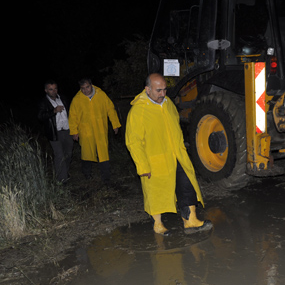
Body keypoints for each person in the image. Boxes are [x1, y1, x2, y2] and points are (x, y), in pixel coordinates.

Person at [125, 73, 212, 236]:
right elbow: (133, 141)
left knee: (187, 185)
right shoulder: (138, 111)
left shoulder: (168, 104)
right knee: (156, 193)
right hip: (154, 160)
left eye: (165, 90)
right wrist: (142, 165)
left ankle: (190, 220)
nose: (162, 94)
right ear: (147, 90)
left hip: (176, 156)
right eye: (158, 90)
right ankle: (158, 224)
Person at [69, 78, 121, 185]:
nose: (85, 90)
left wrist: (115, 124)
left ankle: (106, 177)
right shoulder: (77, 99)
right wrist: (74, 131)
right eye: (82, 88)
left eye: (87, 87)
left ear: (91, 85)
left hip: (100, 129)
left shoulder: (101, 95)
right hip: (85, 131)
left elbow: (110, 109)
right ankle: (87, 174)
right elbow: (73, 116)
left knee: (103, 153)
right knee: (87, 152)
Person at [37, 80, 73, 183]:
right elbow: (40, 116)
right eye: (51, 89)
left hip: (67, 130)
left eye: (55, 88)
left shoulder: (63, 98)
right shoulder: (43, 102)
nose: (54, 91)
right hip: (55, 133)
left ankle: (64, 172)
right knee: (59, 155)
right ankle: (62, 180)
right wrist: (53, 111)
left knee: (69, 154)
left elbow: (72, 112)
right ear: (46, 90)